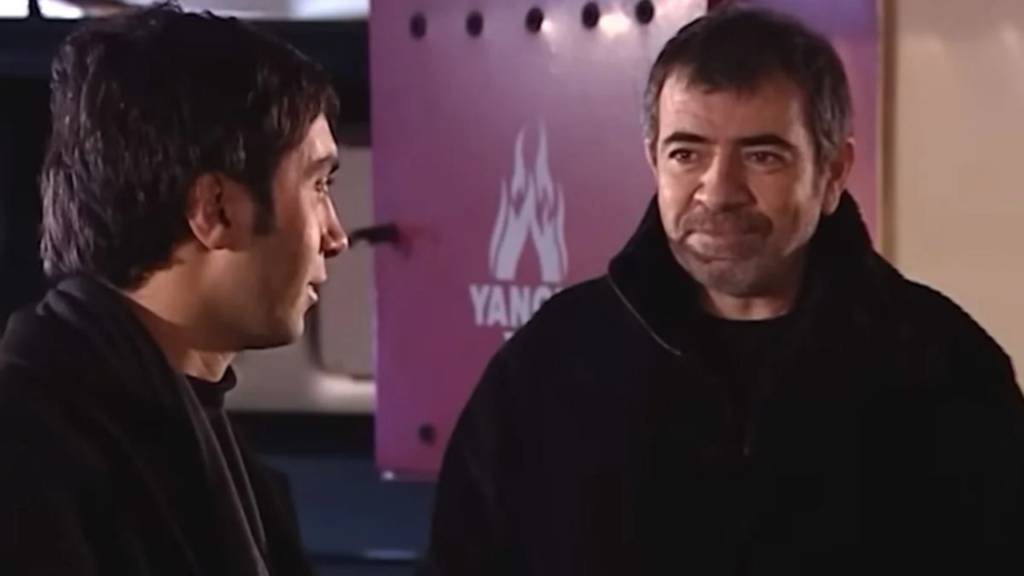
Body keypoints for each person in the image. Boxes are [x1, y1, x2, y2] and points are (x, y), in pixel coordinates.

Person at [422, 7, 1024, 576]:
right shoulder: (551, 364)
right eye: (687, 154)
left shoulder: (943, 371)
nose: (718, 191)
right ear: (654, 162)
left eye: (762, 156)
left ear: (833, 172)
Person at [0, 3, 347, 575]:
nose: (336, 236)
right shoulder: (31, 462)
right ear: (215, 209)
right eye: (317, 186)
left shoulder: (218, 458)